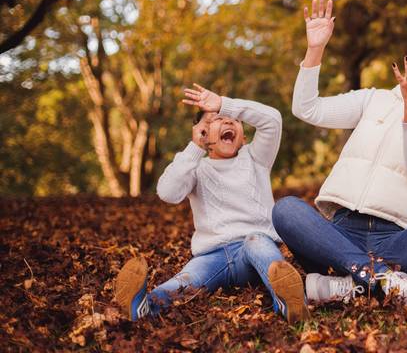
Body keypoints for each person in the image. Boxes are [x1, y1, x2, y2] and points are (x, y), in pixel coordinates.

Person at [272, 0, 407, 311]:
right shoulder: (374, 99)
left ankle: (345, 284)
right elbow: (307, 109)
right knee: (286, 210)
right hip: (340, 232)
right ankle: (384, 280)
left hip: (400, 238)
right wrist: (315, 49)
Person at [114, 85, 309, 323]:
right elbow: (167, 193)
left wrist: (225, 104)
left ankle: (289, 303)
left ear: (243, 136)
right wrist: (195, 148)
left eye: (233, 119)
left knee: (257, 243)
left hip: (253, 252)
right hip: (211, 256)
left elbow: (272, 120)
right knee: (185, 280)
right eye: (216, 119)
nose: (227, 120)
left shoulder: (256, 157)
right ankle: (145, 306)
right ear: (204, 134)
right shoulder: (196, 167)